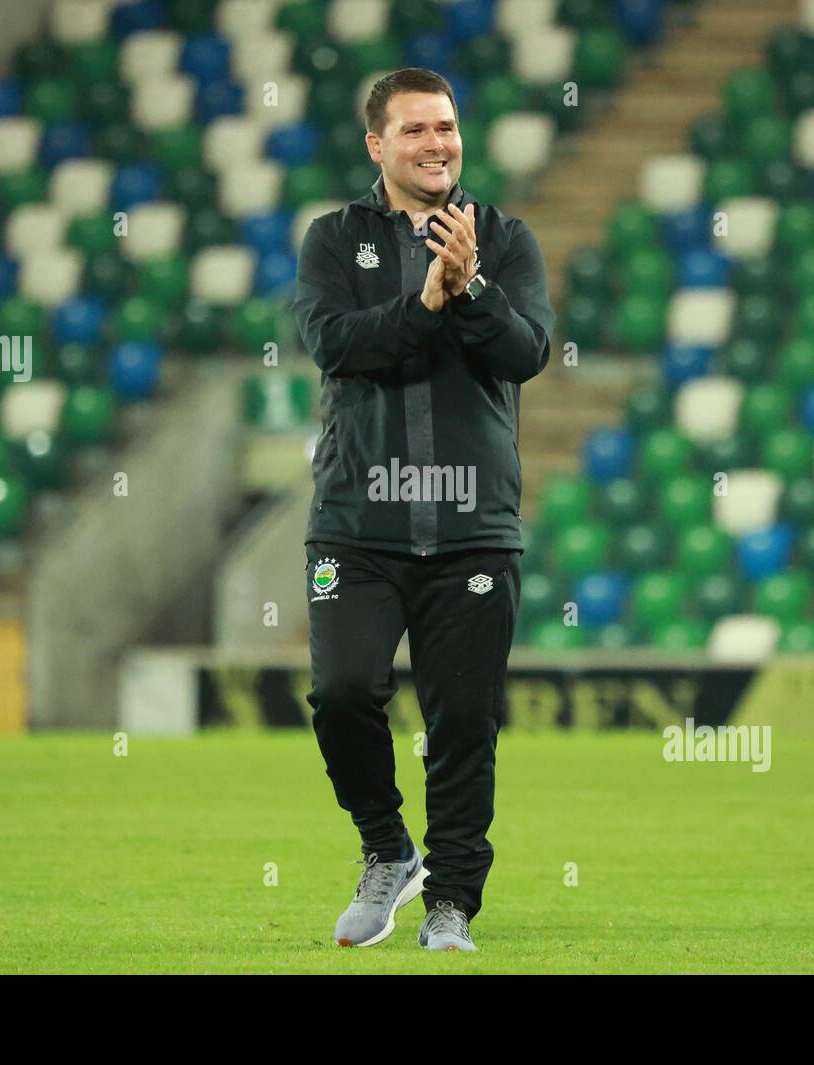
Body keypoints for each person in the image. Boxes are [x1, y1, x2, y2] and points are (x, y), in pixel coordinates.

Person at [291, 68, 555, 952]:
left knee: (463, 722)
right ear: (377, 145)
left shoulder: (507, 240)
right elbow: (333, 342)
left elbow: (526, 353)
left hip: (473, 524)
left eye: (447, 126)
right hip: (355, 523)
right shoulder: (333, 239)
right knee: (340, 691)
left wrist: (472, 288)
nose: (437, 143)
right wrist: (427, 303)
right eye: (415, 130)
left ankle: (450, 902)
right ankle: (384, 849)